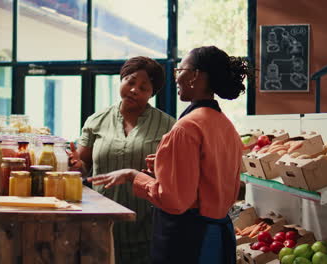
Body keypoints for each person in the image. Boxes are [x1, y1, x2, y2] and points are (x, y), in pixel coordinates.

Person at [88, 46, 251, 264]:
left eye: (180, 70)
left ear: (194, 76)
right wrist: (164, 167)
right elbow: (208, 180)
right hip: (218, 237)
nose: (176, 78)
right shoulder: (225, 125)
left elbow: (174, 200)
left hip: (188, 240)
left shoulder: (186, 127)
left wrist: (133, 176)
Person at [68, 56, 176, 264]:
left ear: (152, 93)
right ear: (121, 80)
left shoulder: (168, 126)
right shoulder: (96, 120)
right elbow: (83, 168)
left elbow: (173, 177)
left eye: (144, 87)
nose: (134, 90)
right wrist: (75, 164)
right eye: (130, 81)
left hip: (146, 226)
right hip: (99, 222)